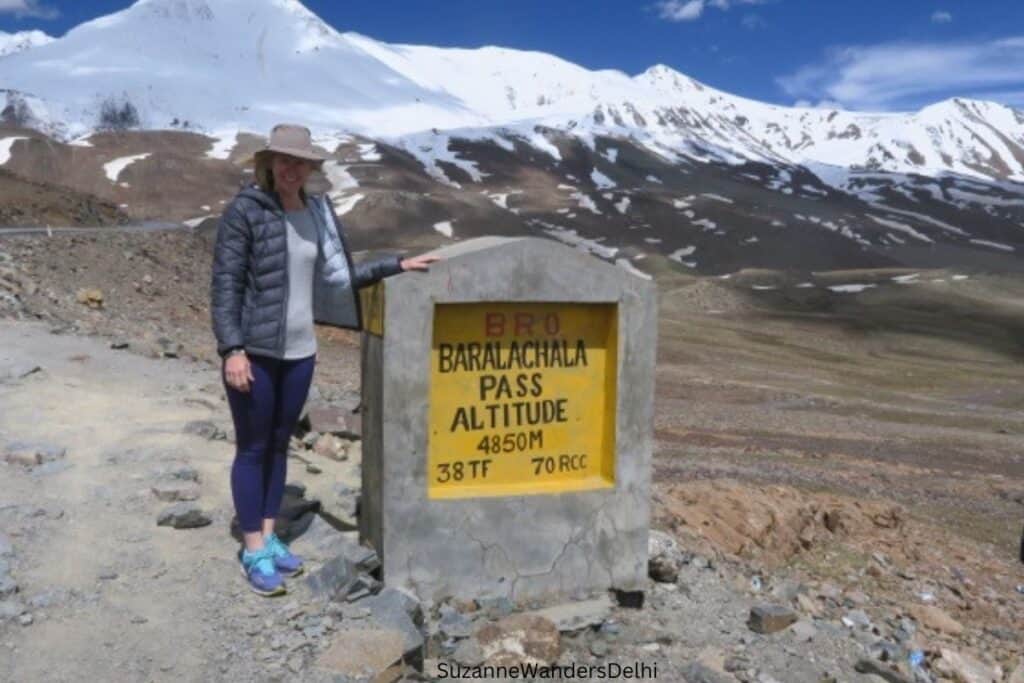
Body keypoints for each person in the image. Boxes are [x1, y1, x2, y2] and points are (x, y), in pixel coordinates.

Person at [210, 123, 437, 595]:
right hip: (255, 351)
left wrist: (394, 265)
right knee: (252, 448)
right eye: (284, 160)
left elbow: (338, 276)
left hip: (301, 353)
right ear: (268, 163)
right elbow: (226, 285)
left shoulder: (316, 211)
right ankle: (253, 547)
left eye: (302, 161)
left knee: (277, 446)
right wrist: (231, 349)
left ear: (311, 168)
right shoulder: (245, 213)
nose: (292, 169)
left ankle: (270, 538)